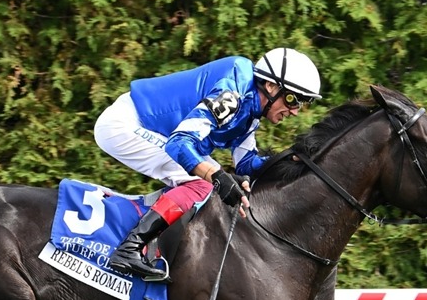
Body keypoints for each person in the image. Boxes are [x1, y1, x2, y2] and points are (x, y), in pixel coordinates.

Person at [94, 47, 322, 281]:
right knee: (203, 185)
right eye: (292, 99)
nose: (294, 111)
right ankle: (129, 248)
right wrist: (217, 177)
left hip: (154, 130)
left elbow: (247, 164)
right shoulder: (233, 93)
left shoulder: (251, 110)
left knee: (212, 182)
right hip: (127, 124)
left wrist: (290, 161)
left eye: (302, 103)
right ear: (271, 86)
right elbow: (179, 144)